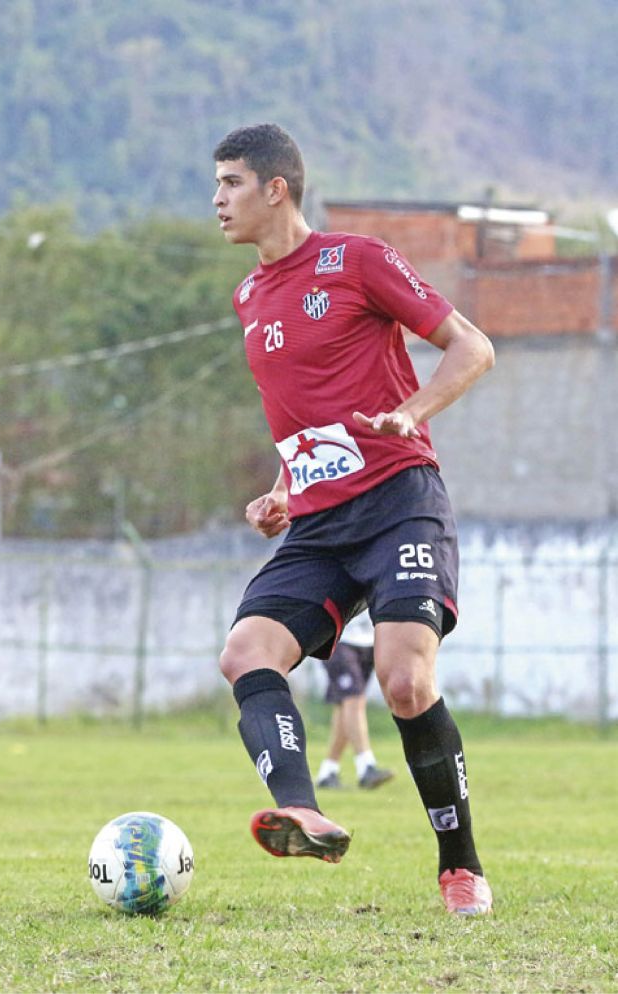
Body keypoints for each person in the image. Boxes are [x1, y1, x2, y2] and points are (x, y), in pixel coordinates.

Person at [213, 123, 495, 915]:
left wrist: (413, 411)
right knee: (246, 653)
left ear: (277, 188)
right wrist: (282, 487)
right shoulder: (248, 296)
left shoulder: (356, 260)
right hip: (319, 523)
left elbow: (472, 347)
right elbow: (306, 415)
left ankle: (461, 866)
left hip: (400, 499)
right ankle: (301, 809)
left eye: (231, 182)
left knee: (405, 681)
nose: (217, 200)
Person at [315, 611, 395, 790]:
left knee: (346, 707)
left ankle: (328, 771)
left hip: (369, 640)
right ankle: (366, 766)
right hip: (337, 639)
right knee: (354, 700)